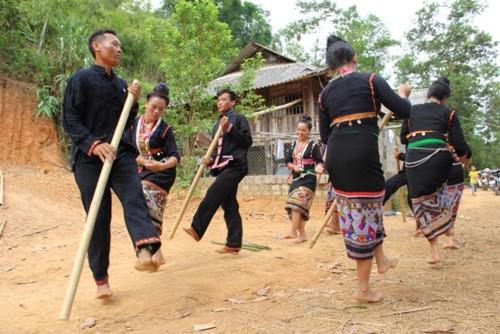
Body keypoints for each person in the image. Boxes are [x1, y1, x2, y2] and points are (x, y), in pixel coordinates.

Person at [63, 29, 162, 299]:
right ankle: (100, 278)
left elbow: (125, 120)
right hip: (88, 159)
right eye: (114, 44)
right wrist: (94, 144)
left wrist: (132, 100)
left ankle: (144, 251)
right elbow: (70, 119)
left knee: (134, 196)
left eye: (120, 45)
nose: (119, 49)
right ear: (97, 46)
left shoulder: (120, 84)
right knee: (98, 217)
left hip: (120, 155)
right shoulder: (80, 79)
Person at [318, 35, 411, 303]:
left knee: (365, 208)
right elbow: (404, 110)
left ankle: (380, 259)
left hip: (337, 155)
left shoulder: (325, 94)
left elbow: (325, 136)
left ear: (330, 67)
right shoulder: (371, 80)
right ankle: (362, 289)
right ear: (354, 57)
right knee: (364, 215)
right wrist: (403, 94)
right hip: (361, 155)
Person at [402, 77, 467, 265]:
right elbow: (461, 147)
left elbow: (404, 138)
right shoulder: (449, 113)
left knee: (420, 202)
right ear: (444, 98)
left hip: (414, 159)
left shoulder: (411, 111)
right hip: (440, 158)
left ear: (428, 94)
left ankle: (434, 250)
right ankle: (449, 230)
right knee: (440, 195)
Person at [183, 88, 253, 254]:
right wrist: (210, 159)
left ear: (233, 102)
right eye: (219, 100)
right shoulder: (217, 124)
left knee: (213, 192)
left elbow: (247, 141)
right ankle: (233, 243)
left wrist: (229, 127)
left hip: (236, 165)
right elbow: (218, 150)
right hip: (223, 167)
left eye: (224, 99)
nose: (220, 102)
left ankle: (197, 228)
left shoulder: (238, 119)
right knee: (229, 204)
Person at [125, 83, 180, 265]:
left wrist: (160, 165)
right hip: (140, 170)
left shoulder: (165, 129)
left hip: (162, 173)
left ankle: (149, 251)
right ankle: (157, 252)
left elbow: (175, 157)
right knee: (142, 206)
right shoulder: (134, 125)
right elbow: (126, 149)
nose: (157, 111)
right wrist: (141, 161)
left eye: (161, 109)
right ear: (146, 103)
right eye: (153, 107)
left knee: (145, 194)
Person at [282, 116, 324, 243]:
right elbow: (287, 161)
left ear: (309, 131)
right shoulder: (294, 144)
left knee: (296, 204)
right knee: (294, 207)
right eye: (299, 130)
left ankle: (293, 232)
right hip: (296, 179)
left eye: (303, 130)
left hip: (308, 178)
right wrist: (293, 167)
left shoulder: (313, 145)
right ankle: (303, 235)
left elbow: (320, 161)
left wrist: (319, 168)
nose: (300, 132)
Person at [443, 145, 472, 249]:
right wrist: (465, 167)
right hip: (457, 176)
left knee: (445, 208)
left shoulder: (438, 140)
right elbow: (468, 154)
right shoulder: (458, 142)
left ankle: (449, 238)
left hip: (444, 177)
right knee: (453, 208)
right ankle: (450, 236)